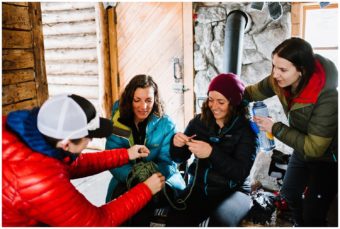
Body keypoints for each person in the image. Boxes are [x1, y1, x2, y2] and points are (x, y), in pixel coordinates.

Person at [2, 94, 165, 226]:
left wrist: (126, 154)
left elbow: (71, 164)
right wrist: (146, 189)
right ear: (66, 144)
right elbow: (96, 222)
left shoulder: (30, 131)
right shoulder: (40, 178)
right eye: (89, 138)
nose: (91, 141)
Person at [243, 37, 338, 226]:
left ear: (301, 70)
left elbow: (315, 148)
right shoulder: (279, 80)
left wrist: (274, 127)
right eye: (274, 67)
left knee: (313, 213)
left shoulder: (327, 98)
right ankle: (299, 224)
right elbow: (251, 92)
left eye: (283, 69)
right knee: (289, 193)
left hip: (327, 157)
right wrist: (229, 99)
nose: (275, 74)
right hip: (302, 150)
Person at [168, 73, 258, 226]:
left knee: (219, 223)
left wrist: (211, 153)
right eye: (210, 99)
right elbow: (178, 158)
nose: (214, 106)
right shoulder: (199, 122)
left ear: (233, 103)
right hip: (200, 188)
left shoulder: (247, 131)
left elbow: (240, 173)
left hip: (235, 193)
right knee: (176, 218)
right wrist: (177, 145)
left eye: (221, 102)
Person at [105, 74, 186, 225]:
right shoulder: (117, 122)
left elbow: (168, 162)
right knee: (121, 203)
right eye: (137, 100)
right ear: (130, 99)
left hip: (161, 179)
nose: (144, 107)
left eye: (149, 100)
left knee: (142, 202)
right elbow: (113, 157)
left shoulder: (166, 124)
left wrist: (149, 174)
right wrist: (132, 175)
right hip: (125, 178)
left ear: (155, 99)